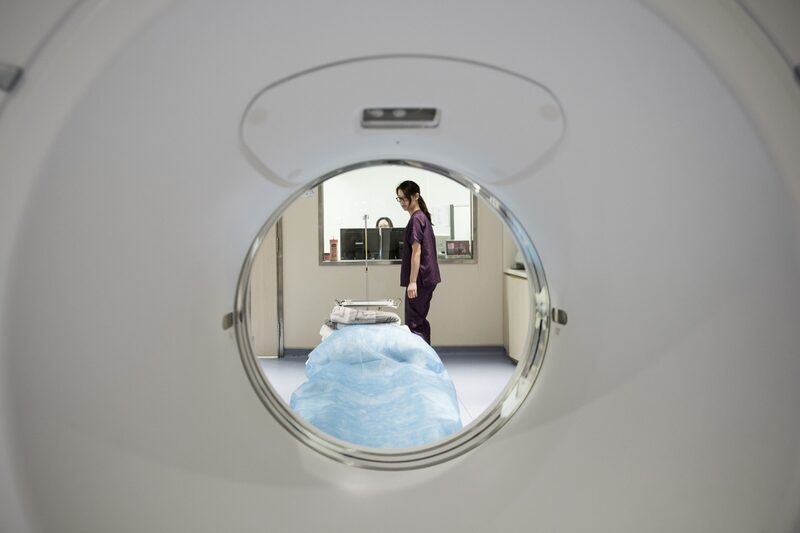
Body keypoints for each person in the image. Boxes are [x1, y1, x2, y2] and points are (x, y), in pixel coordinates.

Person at [396, 180, 440, 344]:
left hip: (420, 279)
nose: (402, 202)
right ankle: (425, 359)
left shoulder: (416, 219)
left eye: (405, 198)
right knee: (419, 321)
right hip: (427, 278)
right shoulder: (422, 218)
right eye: (399, 199)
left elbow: (417, 251)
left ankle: (420, 362)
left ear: (416, 196)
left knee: (414, 323)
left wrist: (412, 282)